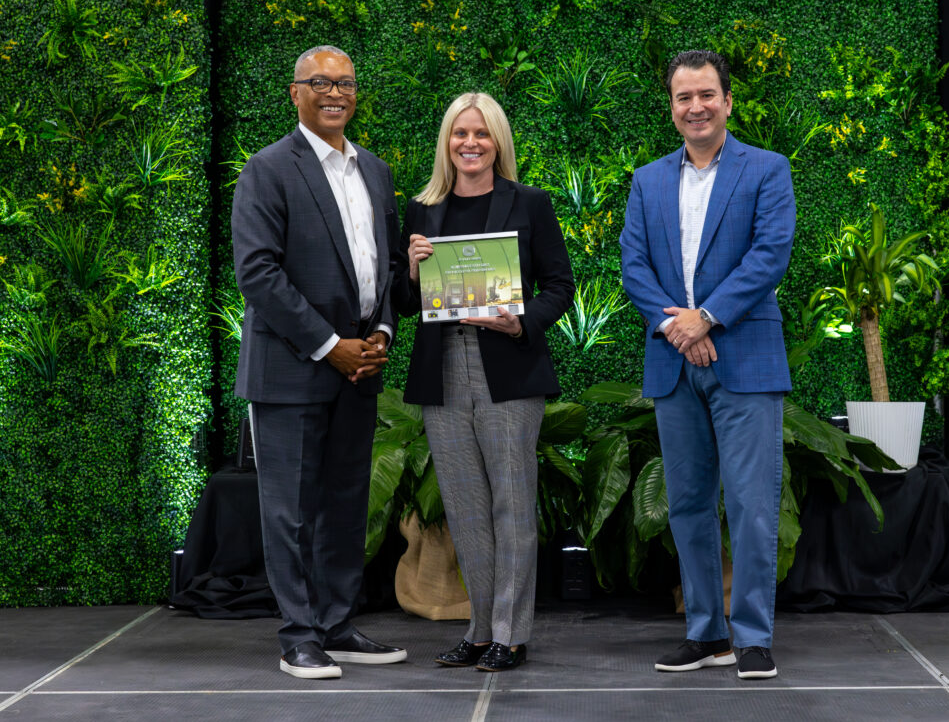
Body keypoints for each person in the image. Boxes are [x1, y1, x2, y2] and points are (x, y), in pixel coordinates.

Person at [619, 50, 796, 680]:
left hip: (744, 357)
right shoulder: (647, 180)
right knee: (688, 504)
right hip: (673, 360)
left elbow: (770, 254)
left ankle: (751, 636)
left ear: (727, 101)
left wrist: (708, 317)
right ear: (671, 106)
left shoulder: (767, 170)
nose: (694, 107)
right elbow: (634, 267)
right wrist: (677, 326)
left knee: (751, 504)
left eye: (705, 95)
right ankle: (705, 632)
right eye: (682, 97)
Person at [232, 45, 406, 679]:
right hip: (293, 371)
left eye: (347, 83)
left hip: (362, 367)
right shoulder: (268, 169)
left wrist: (381, 332)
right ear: (295, 92)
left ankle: (335, 624)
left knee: (344, 503)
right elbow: (258, 273)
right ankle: (298, 635)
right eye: (322, 83)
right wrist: (331, 347)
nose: (336, 92)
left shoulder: (377, 172)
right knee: (291, 510)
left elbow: (387, 268)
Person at [393, 92, 574, 672]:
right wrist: (414, 268)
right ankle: (478, 629)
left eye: (482, 134)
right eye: (458, 134)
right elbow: (400, 300)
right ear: (446, 142)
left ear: (498, 141)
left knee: (513, 507)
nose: (469, 143)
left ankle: (511, 635)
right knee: (467, 509)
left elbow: (560, 286)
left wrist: (523, 321)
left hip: (509, 370)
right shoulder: (422, 210)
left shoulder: (530, 203)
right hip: (441, 373)